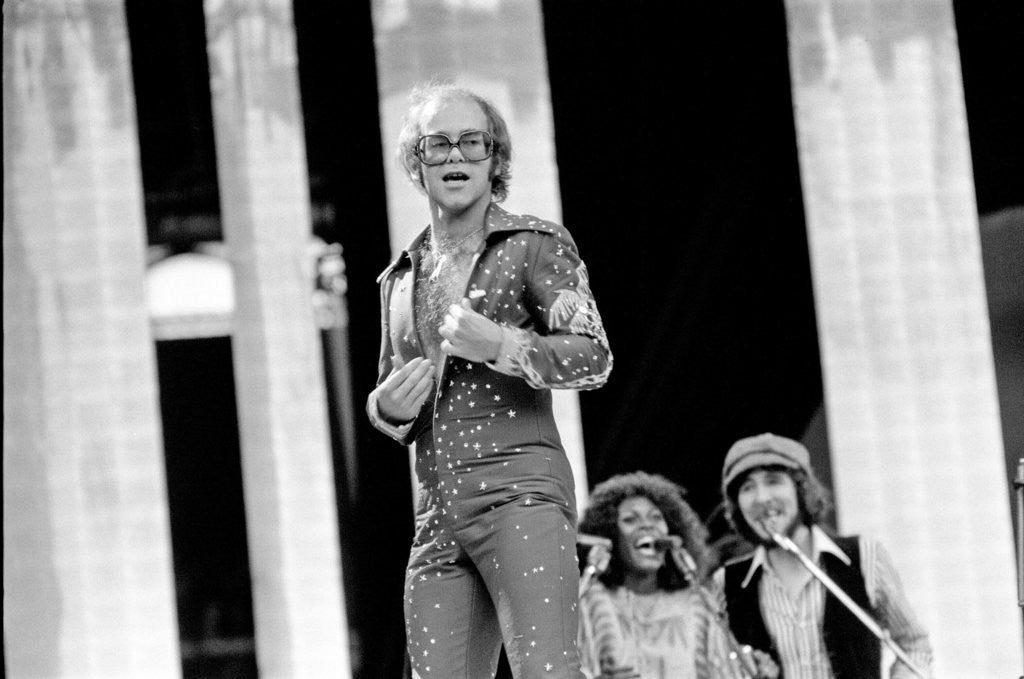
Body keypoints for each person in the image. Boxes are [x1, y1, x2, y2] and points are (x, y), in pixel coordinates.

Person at [366, 82, 613, 679]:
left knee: (547, 672)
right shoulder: (397, 278)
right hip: (436, 512)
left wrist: (504, 344)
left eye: (471, 142)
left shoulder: (533, 243)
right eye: (438, 144)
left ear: (494, 157)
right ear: (415, 162)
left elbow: (594, 356)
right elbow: (389, 390)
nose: (455, 157)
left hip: (520, 494)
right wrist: (386, 409)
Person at [717, 433, 934, 679]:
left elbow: (914, 644)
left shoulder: (863, 557)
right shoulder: (725, 584)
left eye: (773, 481)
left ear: (801, 489)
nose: (762, 498)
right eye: (747, 488)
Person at [577, 472, 778, 679]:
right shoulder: (590, 601)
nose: (647, 525)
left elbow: (725, 671)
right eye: (630, 519)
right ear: (609, 534)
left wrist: (753, 666)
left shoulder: (698, 604)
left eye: (656, 517)